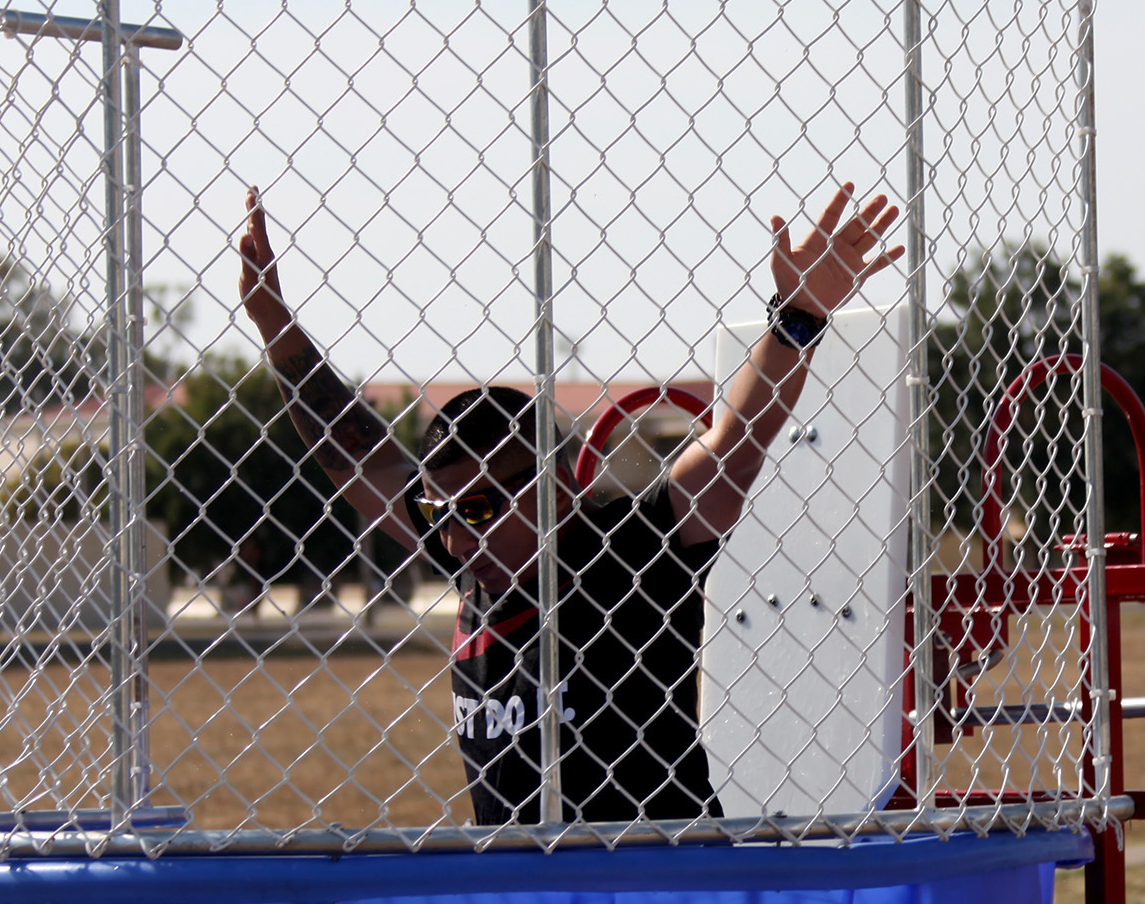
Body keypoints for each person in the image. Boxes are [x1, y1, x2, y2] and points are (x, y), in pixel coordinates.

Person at [237, 182, 902, 826]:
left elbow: (733, 443)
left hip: (661, 894)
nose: (455, 540)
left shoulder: (630, 551)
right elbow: (360, 456)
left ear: (554, 489)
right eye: (439, 516)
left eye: (477, 509)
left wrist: (799, 317)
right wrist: (273, 322)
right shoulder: (475, 559)